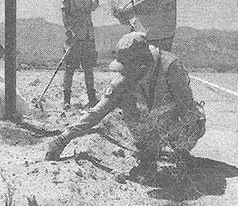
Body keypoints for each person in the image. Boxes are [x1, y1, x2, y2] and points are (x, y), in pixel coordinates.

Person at [45, 32, 205, 176]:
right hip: (153, 123)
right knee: (125, 100)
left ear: (142, 66)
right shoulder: (126, 80)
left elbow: (187, 108)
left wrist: (181, 145)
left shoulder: (170, 68)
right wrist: (63, 138)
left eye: (126, 69)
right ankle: (148, 155)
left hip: (174, 120)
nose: (122, 73)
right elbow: (97, 112)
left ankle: (181, 153)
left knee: (190, 124)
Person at [61, 0, 99, 109]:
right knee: (69, 68)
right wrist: (69, 31)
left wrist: (95, 5)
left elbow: (89, 8)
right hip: (75, 36)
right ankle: (66, 100)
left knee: (88, 68)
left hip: (88, 36)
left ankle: (91, 97)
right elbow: (64, 14)